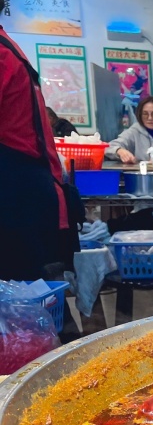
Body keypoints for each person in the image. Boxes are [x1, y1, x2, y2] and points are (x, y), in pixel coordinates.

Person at [0, 23, 76, 281]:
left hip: (18, 200)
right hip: (29, 194)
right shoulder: (8, 48)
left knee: (26, 307)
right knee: (34, 304)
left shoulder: (2, 52)